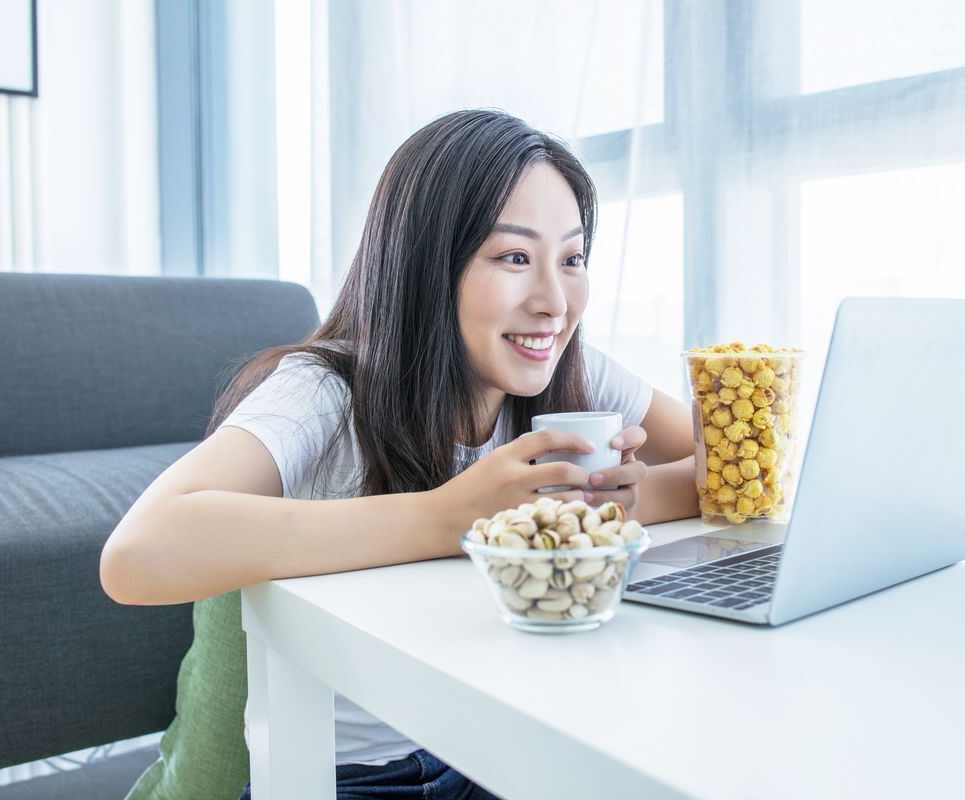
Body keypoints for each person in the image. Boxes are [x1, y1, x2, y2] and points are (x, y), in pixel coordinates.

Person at [101, 108, 698, 799]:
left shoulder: (567, 368)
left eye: (572, 259)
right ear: (425, 266)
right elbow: (137, 556)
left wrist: (612, 505)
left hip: (489, 747)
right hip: (341, 776)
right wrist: (452, 518)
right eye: (513, 257)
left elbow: (726, 470)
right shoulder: (323, 391)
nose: (554, 301)